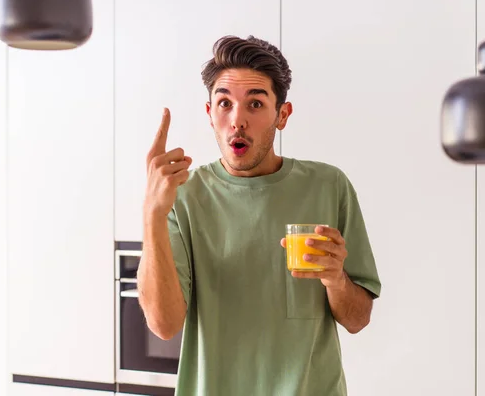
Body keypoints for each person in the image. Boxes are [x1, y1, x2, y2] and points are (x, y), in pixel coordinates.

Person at [138, 34, 382, 396]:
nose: (237, 120)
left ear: (282, 115)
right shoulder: (184, 196)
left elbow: (358, 319)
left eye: (255, 104)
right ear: (210, 114)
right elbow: (163, 324)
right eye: (224, 103)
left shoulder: (329, 186)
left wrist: (336, 280)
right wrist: (152, 215)